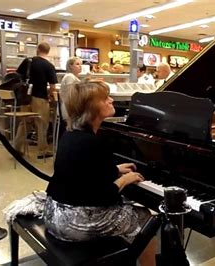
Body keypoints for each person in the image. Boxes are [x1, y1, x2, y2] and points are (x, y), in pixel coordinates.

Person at [44, 80, 156, 265]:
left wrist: (115, 170)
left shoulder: (71, 135)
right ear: (91, 108)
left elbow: (86, 174)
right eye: (105, 98)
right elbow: (104, 195)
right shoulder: (92, 142)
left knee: (128, 211)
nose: (111, 100)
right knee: (146, 218)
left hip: (53, 212)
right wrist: (125, 179)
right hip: (73, 223)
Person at [16, 42, 57, 159]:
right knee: (41, 124)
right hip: (40, 97)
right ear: (48, 51)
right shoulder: (49, 65)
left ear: (37, 49)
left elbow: (17, 77)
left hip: (25, 97)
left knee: (24, 123)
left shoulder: (27, 61)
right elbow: (52, 86)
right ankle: (42, 150)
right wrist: (50, 96)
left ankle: (16, 147)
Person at [58, 56, 82, 139]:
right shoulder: (69, 77)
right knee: (70, 128)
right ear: (70, 66)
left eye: (80, 64)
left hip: (69, 106)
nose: (80, 66)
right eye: (77, 64)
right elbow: (70, 93)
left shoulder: (72, 76)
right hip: (68, 107)